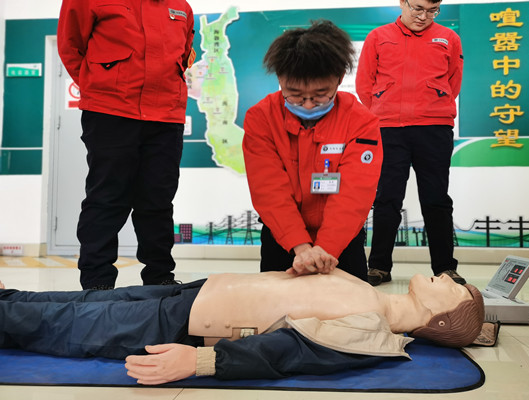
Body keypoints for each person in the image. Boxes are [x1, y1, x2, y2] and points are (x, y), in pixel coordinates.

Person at [0, 268, 484, 385]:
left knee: (57, 322)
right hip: (194, 293)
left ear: (442, 319)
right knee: (69, 302)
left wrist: (202, 361)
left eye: (456, 288)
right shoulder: (371, 294)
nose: (448, 278)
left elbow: (289, 352)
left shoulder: (371, 330)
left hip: (183, 323)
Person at [57, 0, 195, 289]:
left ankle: (160, 279)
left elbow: (183, 56)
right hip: (111, 112)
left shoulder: (181, 7)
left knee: (158, 200)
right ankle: (97, 282)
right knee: (108, 196)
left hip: (166, 116)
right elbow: (71, 47)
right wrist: (99, 89)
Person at [243, 20, 383, 281]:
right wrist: (300, 246)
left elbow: (354, 194)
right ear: (280, 79)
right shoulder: (261, 118)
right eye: (295, 94)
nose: (307, 105)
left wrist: (325, 250)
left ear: (339, 78)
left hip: (341, 240)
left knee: (349, 304)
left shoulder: (361, 122)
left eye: (320, 94)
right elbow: (269, 189)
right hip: (283, 238)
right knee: (278, 304)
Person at [355, 0, 464, 286]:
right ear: (402, 3)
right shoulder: (378, 36)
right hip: (389, 128)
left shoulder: (448, 37)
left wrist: (433, 105)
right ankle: (379, 266)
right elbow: (365, 82)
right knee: (387, 198)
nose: (424, 16)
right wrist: (381, 111)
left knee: (436, 199)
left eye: (432, 10)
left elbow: (453, 81)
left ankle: (445, 268)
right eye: (417, 8)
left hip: (434, 127)